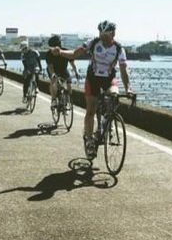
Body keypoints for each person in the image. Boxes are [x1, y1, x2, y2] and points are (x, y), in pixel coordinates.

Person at [51, 20, 132, 159]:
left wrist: (128, 89)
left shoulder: (119, 49)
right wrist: (60, 52)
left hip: (108, 79)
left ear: (113, 34)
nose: (102, 37)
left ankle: (108, 121)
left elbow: (124, 71)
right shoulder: (93, 43)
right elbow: (74, 54)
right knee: (91, 110)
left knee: (114, 96)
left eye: (106, 35)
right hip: (92, 79)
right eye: (101, 33)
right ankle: (89, 140)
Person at [45, 35, 80, 108]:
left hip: (63, 70)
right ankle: (54, 99)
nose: (52, 50)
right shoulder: (48, 54)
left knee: (69, 84)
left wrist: (76, 72)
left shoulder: (65, 51)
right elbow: (50, 67)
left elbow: (72, 64)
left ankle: (67, 100)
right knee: (53, 81)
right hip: (53, 70)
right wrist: (53, 74)